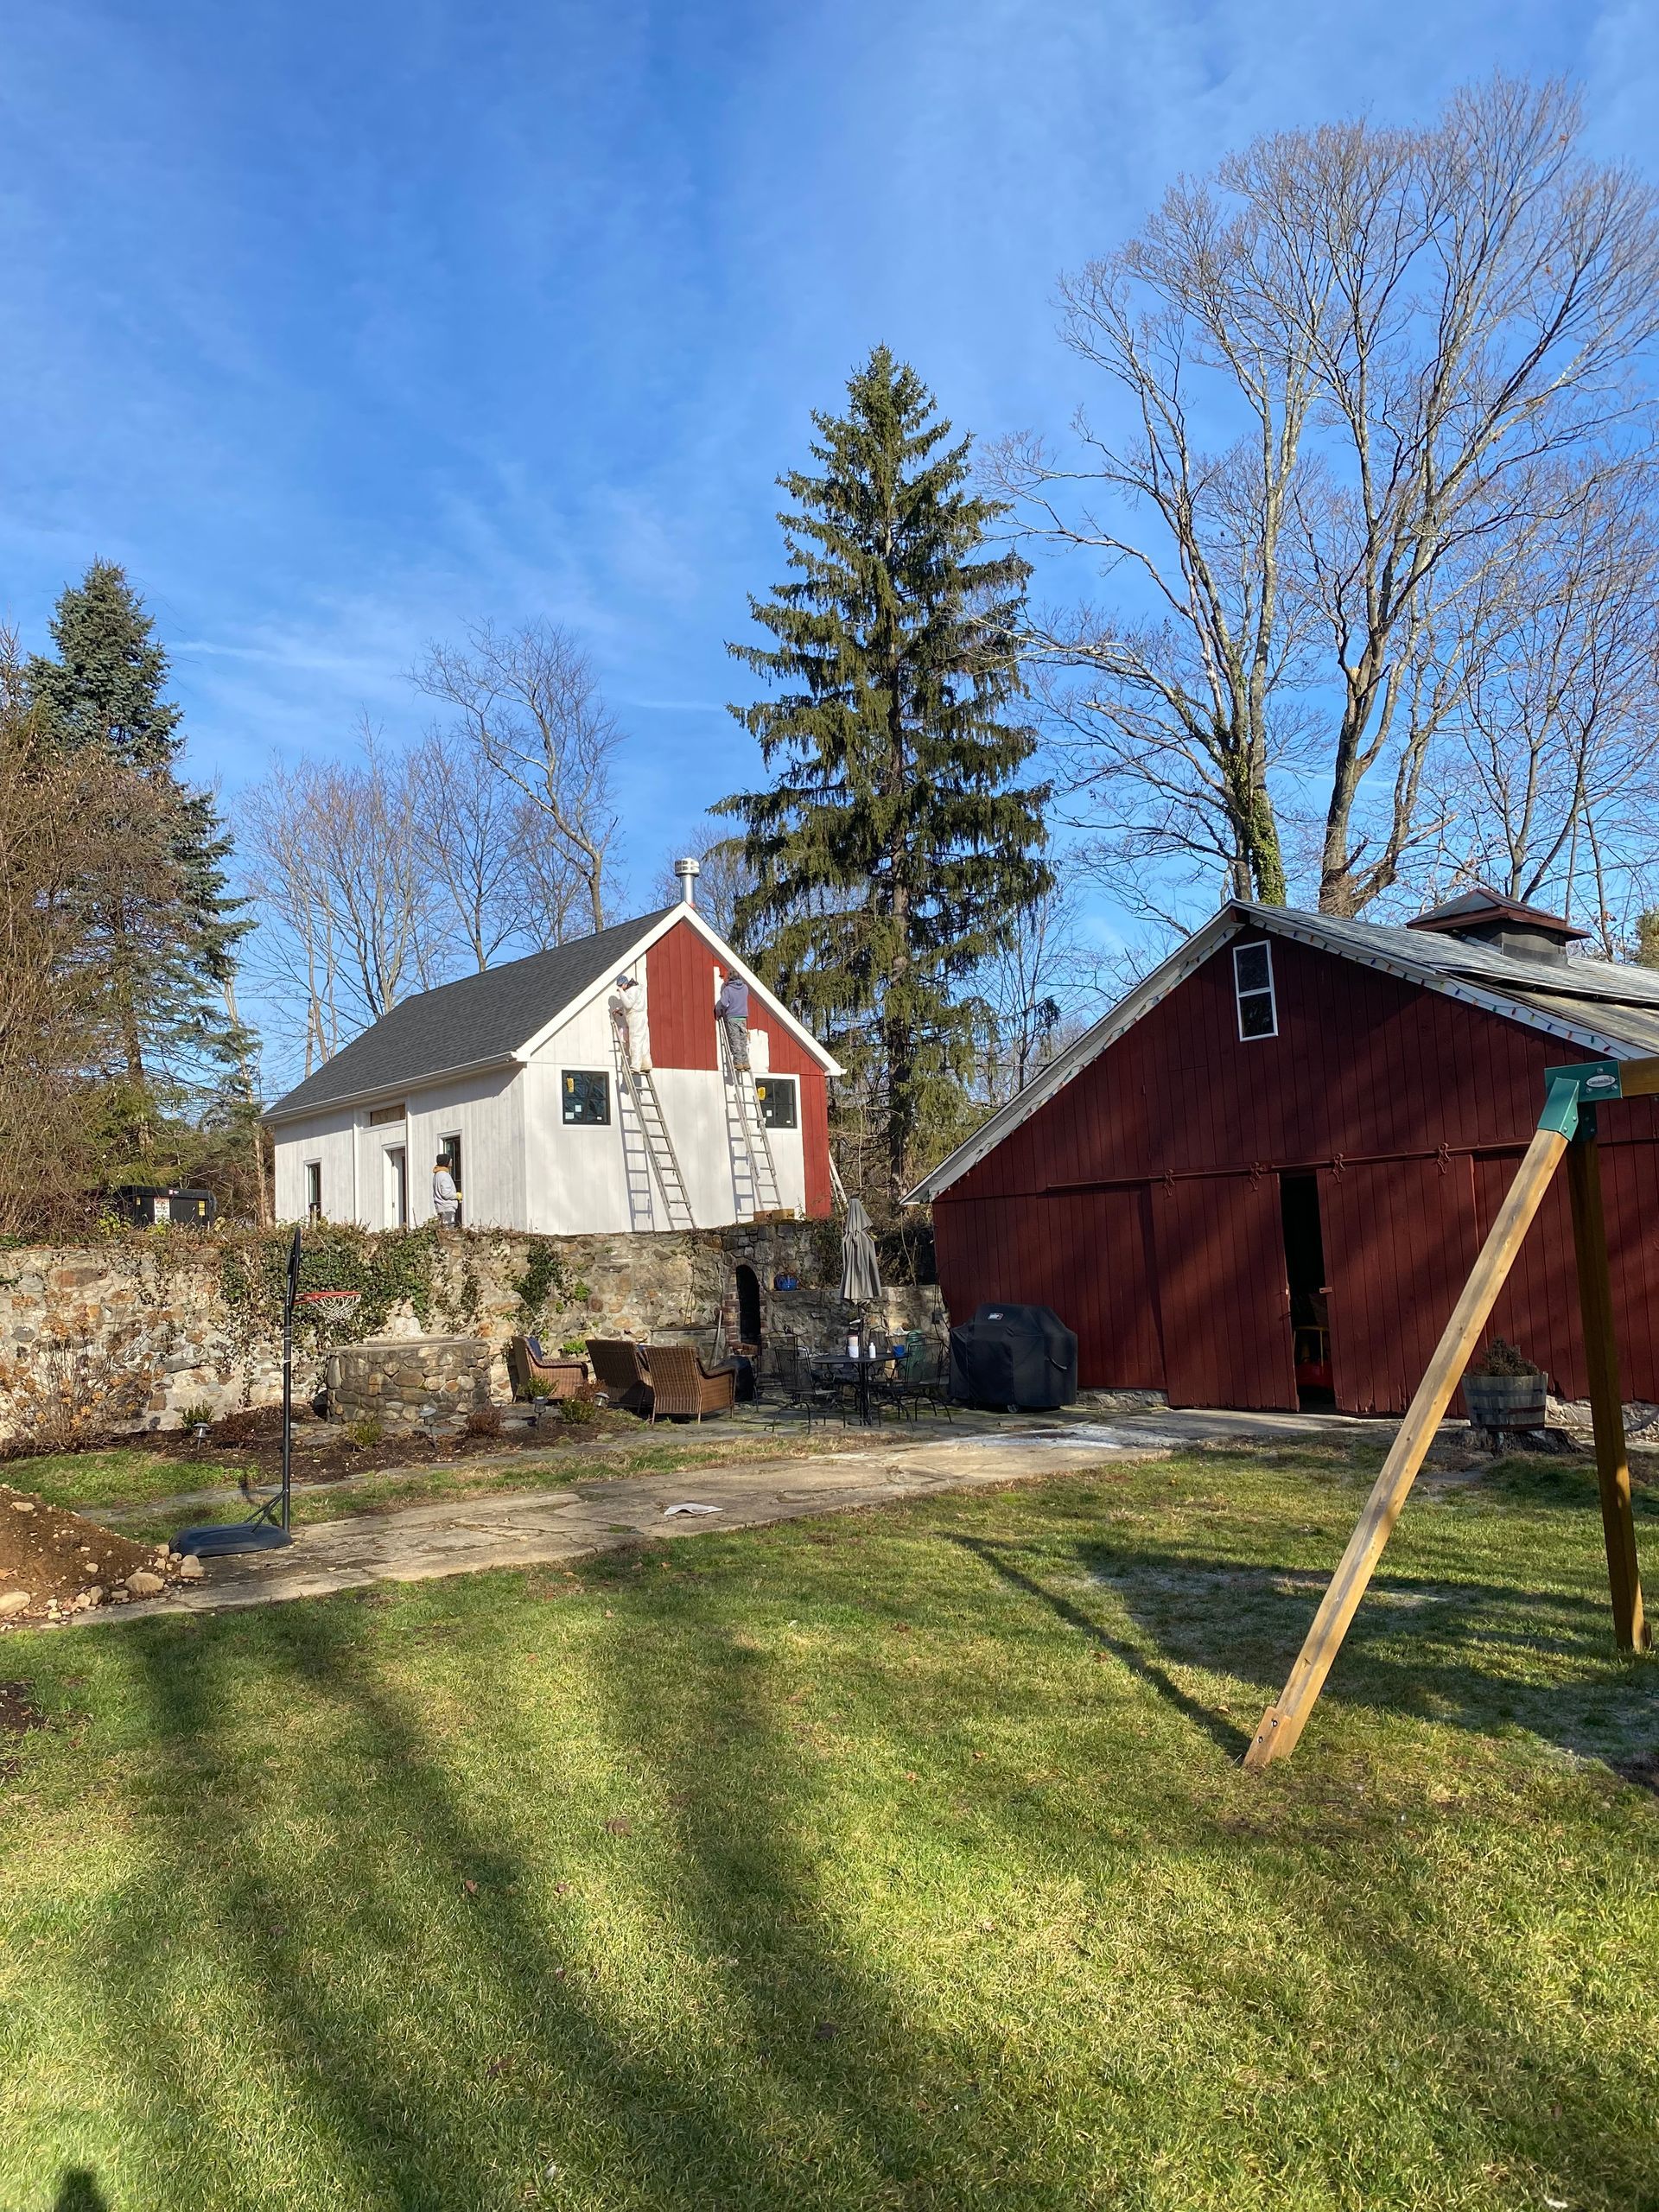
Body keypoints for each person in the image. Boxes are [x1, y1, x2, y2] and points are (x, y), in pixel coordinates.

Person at [609, 972, 652, 1071]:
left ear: (624, 984)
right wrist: (619, 1009)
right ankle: (646, 1064)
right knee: (644, 1040)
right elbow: (632, 1004)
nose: (620, 988)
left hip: (635, 1018)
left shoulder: (631, 991)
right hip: (642, 1016)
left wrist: (621, 992)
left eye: (620, 986)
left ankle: (636, 1066)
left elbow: (628, 1005)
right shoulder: (638, 990)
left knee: (635, 1040)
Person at [715, 969, 750, 1070]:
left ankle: (738, 1063)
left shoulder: (728, 990)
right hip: (743, 1017)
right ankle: (746, 1063)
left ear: (729, 978)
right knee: (743, 1041)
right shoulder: (745, 988)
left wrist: (719, 1009)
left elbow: (723, 1003)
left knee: (735, 1041)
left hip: (732, 1017)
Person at [432, 1156, 460, 1229]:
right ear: (445, 1162)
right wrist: (457, 1196)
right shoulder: (444, 1175)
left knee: (444, 1230)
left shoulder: (437, 1174)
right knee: (448, 1232)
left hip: (442, 1207)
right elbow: (446, 1194)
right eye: (449, 1160)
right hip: (447, 1207)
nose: (451, 1160)